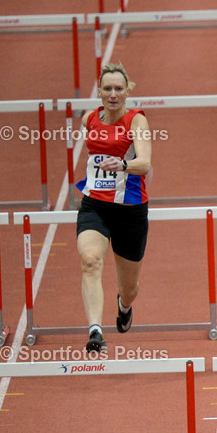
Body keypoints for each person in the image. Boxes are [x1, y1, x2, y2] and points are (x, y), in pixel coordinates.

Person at [75, 62, 153, 354]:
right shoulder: (89, 119)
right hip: (95, 205)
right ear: (99, 91)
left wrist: (122, 164)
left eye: (118, 88)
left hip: (130, 210)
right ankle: (95, 330)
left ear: (127, 91)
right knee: (90, 261)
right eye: (107, 88)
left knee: (129, 287)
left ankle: (124, 306)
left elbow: (145, 163)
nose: (112, 94)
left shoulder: (137, 121)